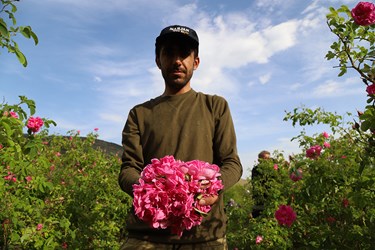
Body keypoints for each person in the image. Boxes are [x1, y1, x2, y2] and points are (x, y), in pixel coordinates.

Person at [118, 25, 243, 250]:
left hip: (205, 235)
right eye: (169, 53)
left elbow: (232, 163)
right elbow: (128, 170)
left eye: (184, 54)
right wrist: (153, 192)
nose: (177, 60)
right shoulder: (140, 113)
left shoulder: (215, 106)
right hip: (147, 236)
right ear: (158, 60)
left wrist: (212, 188)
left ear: (196, 62)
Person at [251, 150, 271, 218]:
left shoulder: (272, 169)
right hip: (259, 198)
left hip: (270, 198)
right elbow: (256, 184)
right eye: (266, 158)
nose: (268, 160)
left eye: (269, 158)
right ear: (259, 160)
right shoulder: (256, 169)